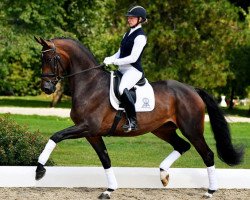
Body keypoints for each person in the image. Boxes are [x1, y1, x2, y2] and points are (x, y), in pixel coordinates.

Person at [103, 5, 148, 132]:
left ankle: (133, 121)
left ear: (140, 19)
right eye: (128, 17)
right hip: (122, 69)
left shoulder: (140, 37)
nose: (129, 19)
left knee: (122, 89)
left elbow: (133, 58)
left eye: (132, 18)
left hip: (133, 70)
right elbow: (120, 52)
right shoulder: (127, 33)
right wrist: (109, 58)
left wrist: (115, 61)